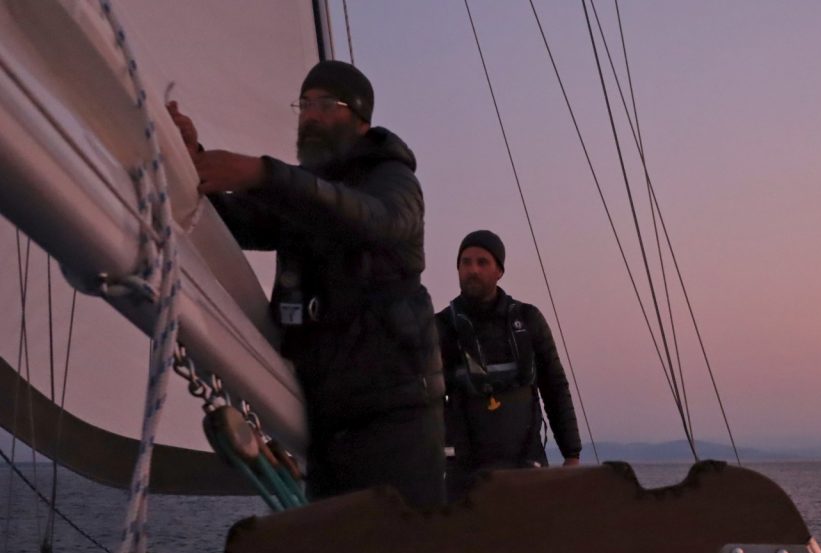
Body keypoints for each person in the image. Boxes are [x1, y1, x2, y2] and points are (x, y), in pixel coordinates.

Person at [167, 60, 445, 507]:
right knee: (334, 540)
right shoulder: (304, 195)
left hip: (395, 416)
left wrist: (265, 176)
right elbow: (229, 224)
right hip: (323, 414)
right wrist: (186, 157)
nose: (311, 115)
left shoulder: (394, 180)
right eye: (305, 104)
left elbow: (376, 219)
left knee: (399, 539)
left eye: (326, 105)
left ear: (360, 119)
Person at [436, 230, 582, 499]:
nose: (473, 270)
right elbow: (424, 401)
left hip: (526, 467)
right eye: (466, 262)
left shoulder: (528, 321)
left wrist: (571, 454)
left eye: (482, 262)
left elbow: (555, 387)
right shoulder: (441, 328)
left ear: (499, 271)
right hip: (465, 475)